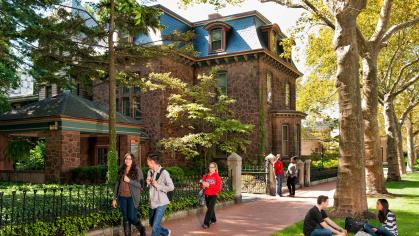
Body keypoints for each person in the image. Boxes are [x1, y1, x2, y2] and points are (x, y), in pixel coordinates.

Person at [112, 153, 146, 236]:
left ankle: (141, 228)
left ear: (132, 160)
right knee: (125, 218)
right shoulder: (121, 169)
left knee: (131, 217)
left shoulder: (137, 170)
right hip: (122, 197)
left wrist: (129, 181)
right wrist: (114, 198)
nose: (127, 160)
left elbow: (141, 185)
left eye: (129, 159)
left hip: (132, 197)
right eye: (126, 158)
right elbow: (117, 184)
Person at [146, 152, 174, 236]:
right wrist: (148, 182)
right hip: (153, 201)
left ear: (152, 162)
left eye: (148, 162)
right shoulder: (149, 172)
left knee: (154, 228)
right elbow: (149, 186)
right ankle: (166, 232)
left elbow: (171, 187)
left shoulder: (164, 173)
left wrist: (157, 185)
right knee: (152, 224)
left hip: (161, 202)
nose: (147, 163)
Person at [200, 162, 223, 229]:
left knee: (209, 209)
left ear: (215, 168)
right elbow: (202, 185)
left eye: (212, 167)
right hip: (206, 195)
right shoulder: (206, 176)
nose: (210, 168)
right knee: (210, 208)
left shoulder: (217, 177)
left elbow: (218, 188)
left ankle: (206, 223)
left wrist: (209, 185)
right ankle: (213, 219)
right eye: (210, 167)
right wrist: (203, 185)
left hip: (213, 195)